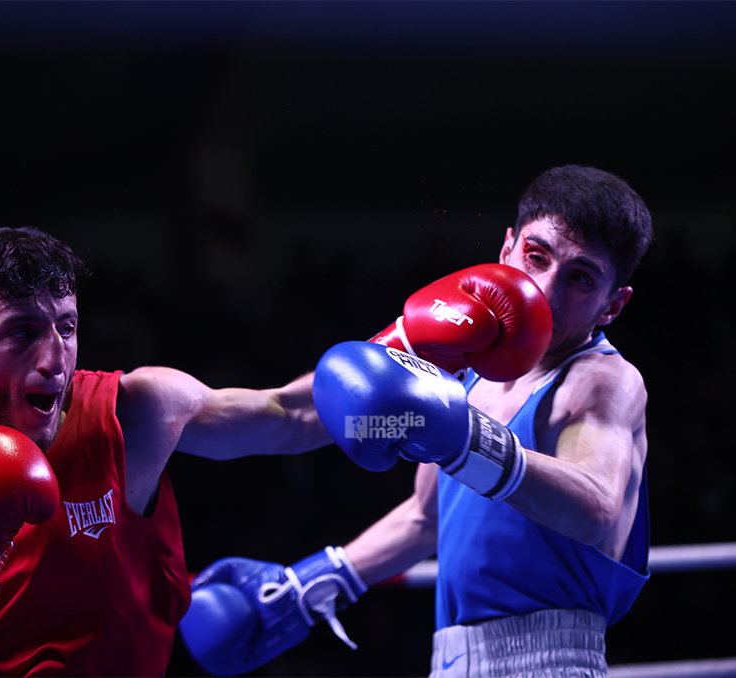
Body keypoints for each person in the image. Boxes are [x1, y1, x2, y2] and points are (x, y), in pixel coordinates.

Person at [180, 165, 653, 678]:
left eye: (581, 278)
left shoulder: (604, 380)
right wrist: (310, 585)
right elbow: (427, 516)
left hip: (550, 659)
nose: (546, 289)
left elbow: (595, 507)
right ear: (507, 249)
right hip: (452, 657)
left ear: (613, 305)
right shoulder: (470, 365)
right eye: (536, 257)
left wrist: (465, 440)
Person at [0, 226, 342, 677]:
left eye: (66, 328)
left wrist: (388, 366)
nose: (55, 359)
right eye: (23, 332)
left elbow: (290, 417)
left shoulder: (135, 414)